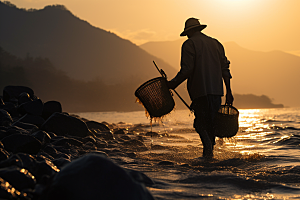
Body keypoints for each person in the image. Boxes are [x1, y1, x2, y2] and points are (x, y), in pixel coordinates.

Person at [167, 17, 234, 158]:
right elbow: (225, 69)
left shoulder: (189, 44)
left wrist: (172, 84)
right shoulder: (216, 43)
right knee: (212, 124)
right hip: (217, 92)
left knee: (200, 124)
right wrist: (229, 92)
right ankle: (209, 155)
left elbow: (186, 70)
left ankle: (208, 153)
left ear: (189, 32)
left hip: (200, 92)